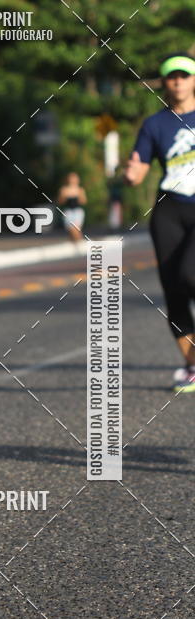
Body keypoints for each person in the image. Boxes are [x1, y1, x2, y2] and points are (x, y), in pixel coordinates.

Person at [124, 52, 195, 392]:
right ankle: (193, 365)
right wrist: (131, 172)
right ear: (165, 82)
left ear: (193, 80)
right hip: (169, 210)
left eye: (184, 75)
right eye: (172, 76)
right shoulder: (155, 124)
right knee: (174, 292)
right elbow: (138, 170)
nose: (178, 80)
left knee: (190, 273)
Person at [57, 172, 87, 243]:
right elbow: (60, 202)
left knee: (76, 230)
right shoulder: (64, 189)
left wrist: (78, 196)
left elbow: (84, 201)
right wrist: (64, 196)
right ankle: (77, 245)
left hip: (77, 212)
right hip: (68, 212)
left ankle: (79, 244)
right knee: (71, 231)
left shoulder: (80, 190)